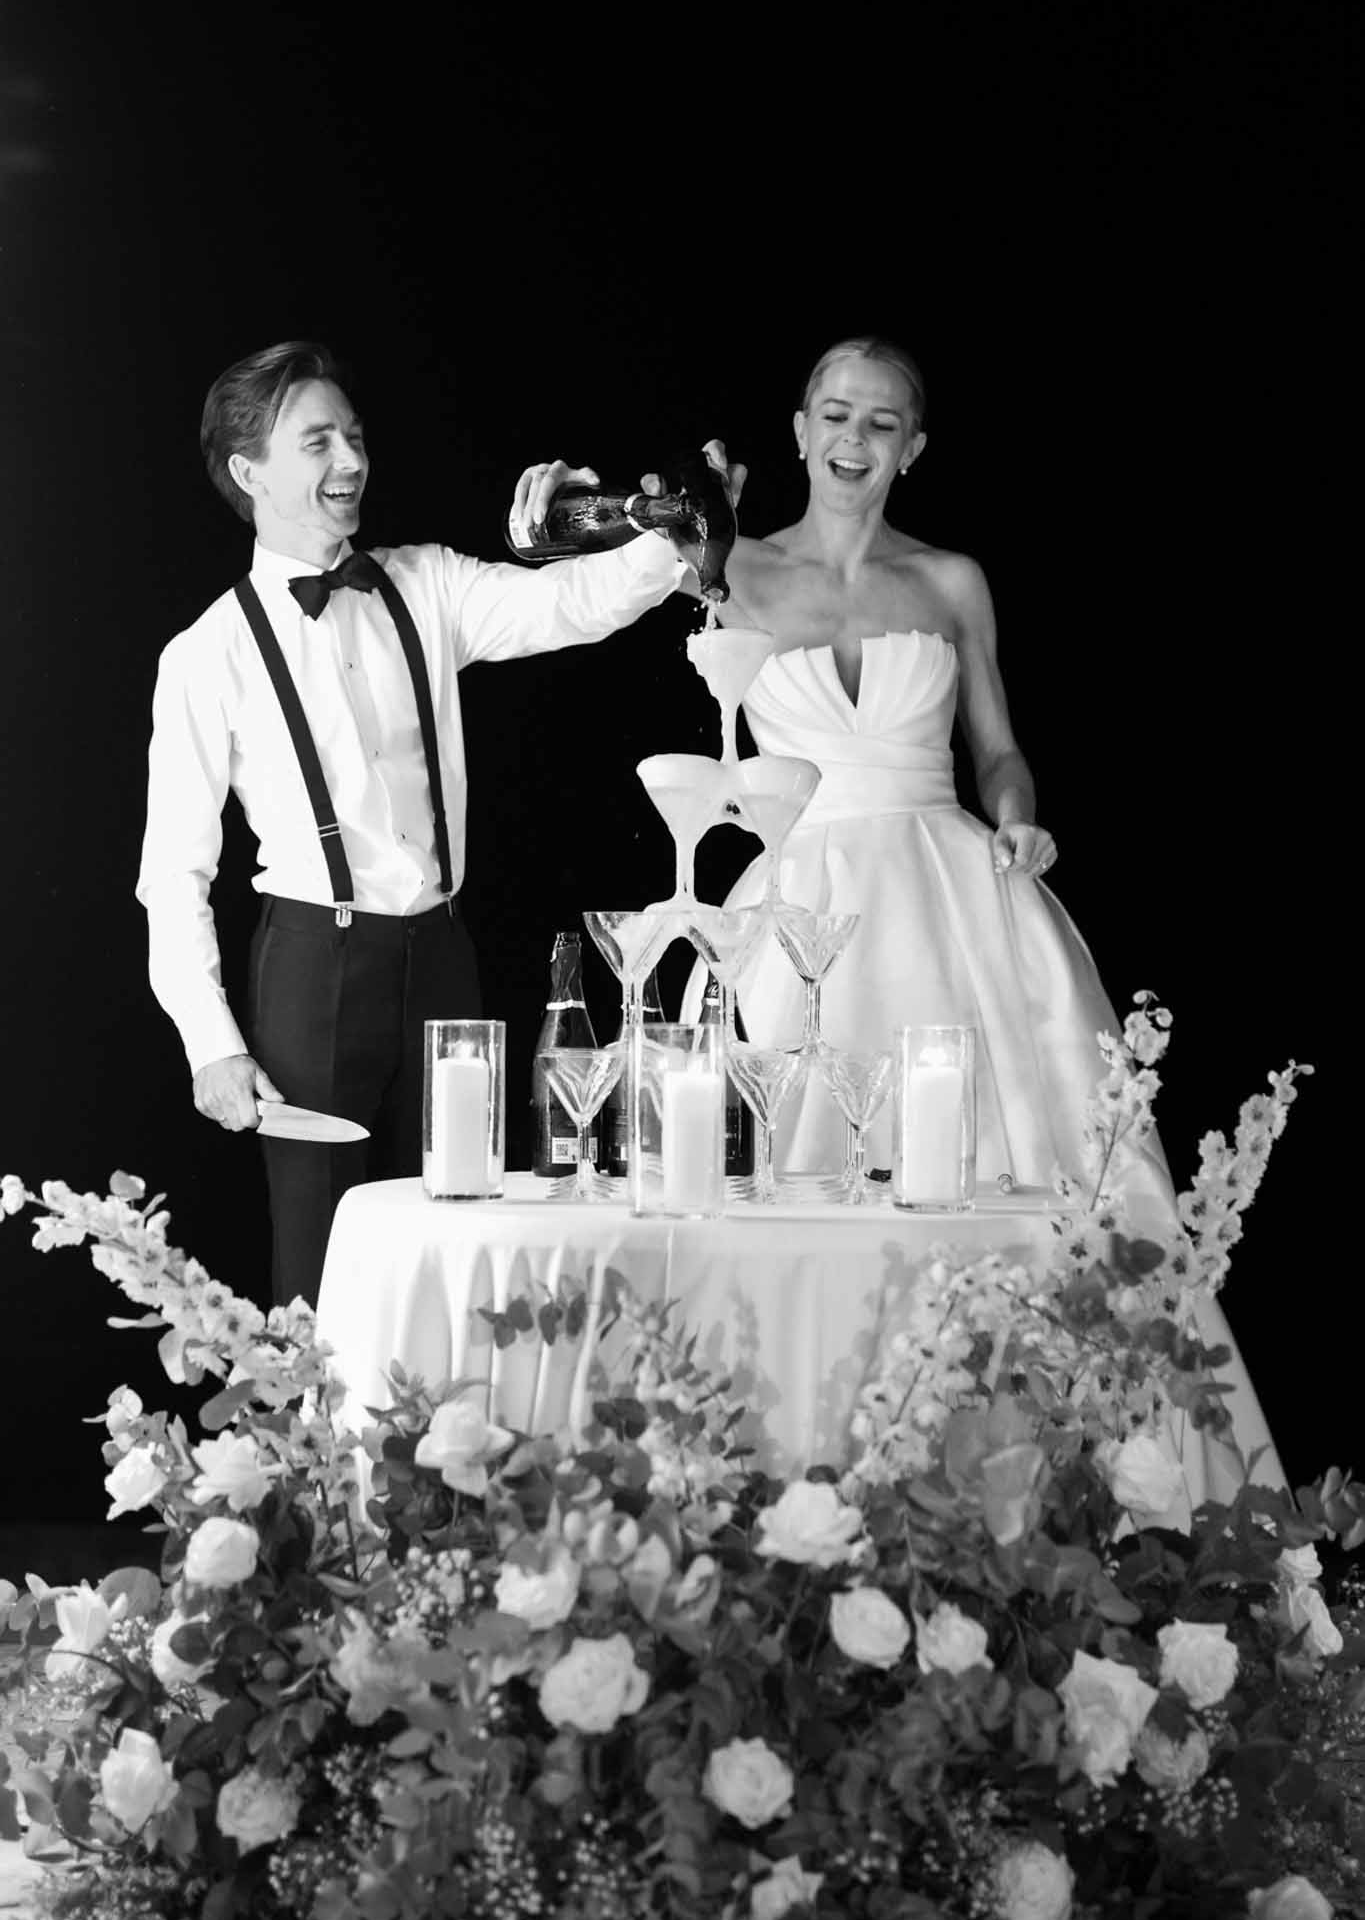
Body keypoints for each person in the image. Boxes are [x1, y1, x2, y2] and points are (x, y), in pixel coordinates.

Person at [682, 333, 1281, 1500]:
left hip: (955, 893)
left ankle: (1047, 1479)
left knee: (1018, 1183)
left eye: (882, 422)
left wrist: (1019, 820)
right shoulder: (730, 566)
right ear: (799, 428)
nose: (854, 440)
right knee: (793, 1191)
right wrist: (700, 516)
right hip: (798, 902)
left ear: (913, 447)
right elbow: (635, 596)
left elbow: (999, 752)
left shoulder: (952, 581)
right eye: (836, 415)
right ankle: (799, 1477)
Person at [137, 339, 718, 1309]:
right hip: (311, 971)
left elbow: (576, 600)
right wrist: (212, 1043)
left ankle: (453, 1456)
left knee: (460, 1230)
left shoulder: (425, 582)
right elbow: (172, 874)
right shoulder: (208, 652)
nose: (351, 460)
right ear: (250, 471)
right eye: (317, 441)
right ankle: (320, 1461)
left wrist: (686, 525)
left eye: (354, 435)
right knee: (318, 1260)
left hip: (442, 956)